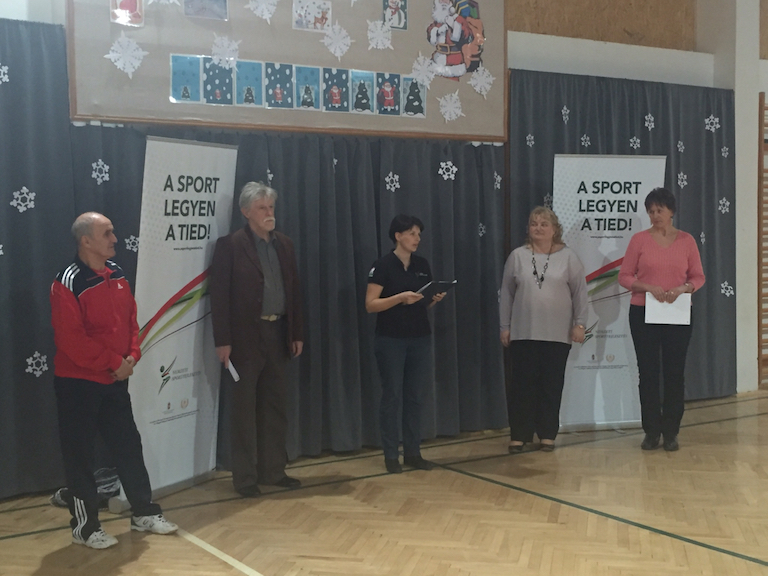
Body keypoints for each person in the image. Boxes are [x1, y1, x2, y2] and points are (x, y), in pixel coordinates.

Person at [50, 212, 178, 550]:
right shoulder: (67, 282)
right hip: (78, 384)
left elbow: (131, 320)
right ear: (86, 241)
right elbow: (71, 340)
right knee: (79, 456)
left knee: (128, 447)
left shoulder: (117, 273)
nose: (115, 239)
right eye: (106, 233)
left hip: (115, 380)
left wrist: (132, 355)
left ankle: (143, 512)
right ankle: (85, 528)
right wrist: (113, 362)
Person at [210, 181, 304, 497]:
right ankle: (245, 478)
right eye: (262, 208)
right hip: (244, 338)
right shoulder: (230, 246)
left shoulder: (284, 244)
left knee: (275, 405)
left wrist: (297, 332)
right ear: (246, 212)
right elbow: (219, 295)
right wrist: (223, 340)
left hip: (278, 332)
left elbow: (294, 291)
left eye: (271, 207)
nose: (269, 213)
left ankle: (273, 471)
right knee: (244, 410)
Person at [618, 187, 705, 452]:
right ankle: (651, 431)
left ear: (671, 211)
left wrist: (684, 288)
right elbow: (624, 276)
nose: (655, 215)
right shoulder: (639, 240)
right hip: (643, 312)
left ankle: (671, 431)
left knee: (674, 373)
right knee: (648, 372)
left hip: (677, 312)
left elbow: (698, 277)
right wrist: (646, 286)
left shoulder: (687, 241)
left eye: (660, 210)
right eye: (651, 211)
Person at [499, 207, 588, 453]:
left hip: (558, 334)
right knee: (522, 386)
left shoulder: (569, 257)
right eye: (534, 223)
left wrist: (580, 323)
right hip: (523, 332)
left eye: (543, 224)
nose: (538, 228)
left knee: (551, 385)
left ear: (554, 229)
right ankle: (519, 435)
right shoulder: (517, 256)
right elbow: (506, 294)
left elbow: (580, 293)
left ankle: (547, 434)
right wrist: (505, 326)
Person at [366, 215, 446, 474]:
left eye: (419, 234)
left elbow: (423, 303)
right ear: (398, 236)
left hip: (419, 337)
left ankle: (413, 452)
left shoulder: (422, 264)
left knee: (415, 397)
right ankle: (391, 455)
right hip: (391, 339)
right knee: (392, 396)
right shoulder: (382, 265)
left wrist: (433, 298)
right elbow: (371, 304)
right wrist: (399, 298)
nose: (417, 238)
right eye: (412, 233)